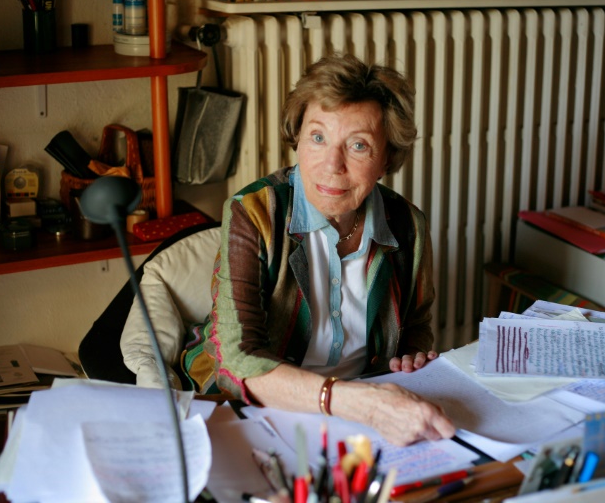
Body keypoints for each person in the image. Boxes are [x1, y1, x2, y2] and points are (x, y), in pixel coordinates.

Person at [181, 54, 455, 447]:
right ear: (297, 137)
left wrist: (411, 357)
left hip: (361, 410)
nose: (332, 164)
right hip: (256, 405)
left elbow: (416, 324)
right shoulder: (253, 213)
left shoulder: (409, 225)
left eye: (358, 145)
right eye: (318, 137)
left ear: (386, 159)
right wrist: (355, 402)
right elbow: (237, 360)